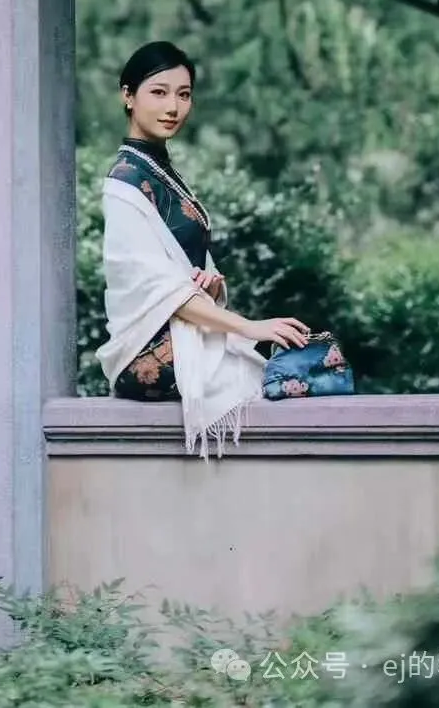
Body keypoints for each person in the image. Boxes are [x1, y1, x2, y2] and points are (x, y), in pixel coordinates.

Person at [96, 40, 309, 458]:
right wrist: (249, 326)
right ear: (128, 96)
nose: (173, 107)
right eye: (159, 92)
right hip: (145, 353)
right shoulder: (124, 182)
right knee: (267, 378)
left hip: (179, 335)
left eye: (184, 94)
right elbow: (156, 289)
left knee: (283, 373)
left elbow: (177, 277)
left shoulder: (159, 170)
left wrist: (207, 286)